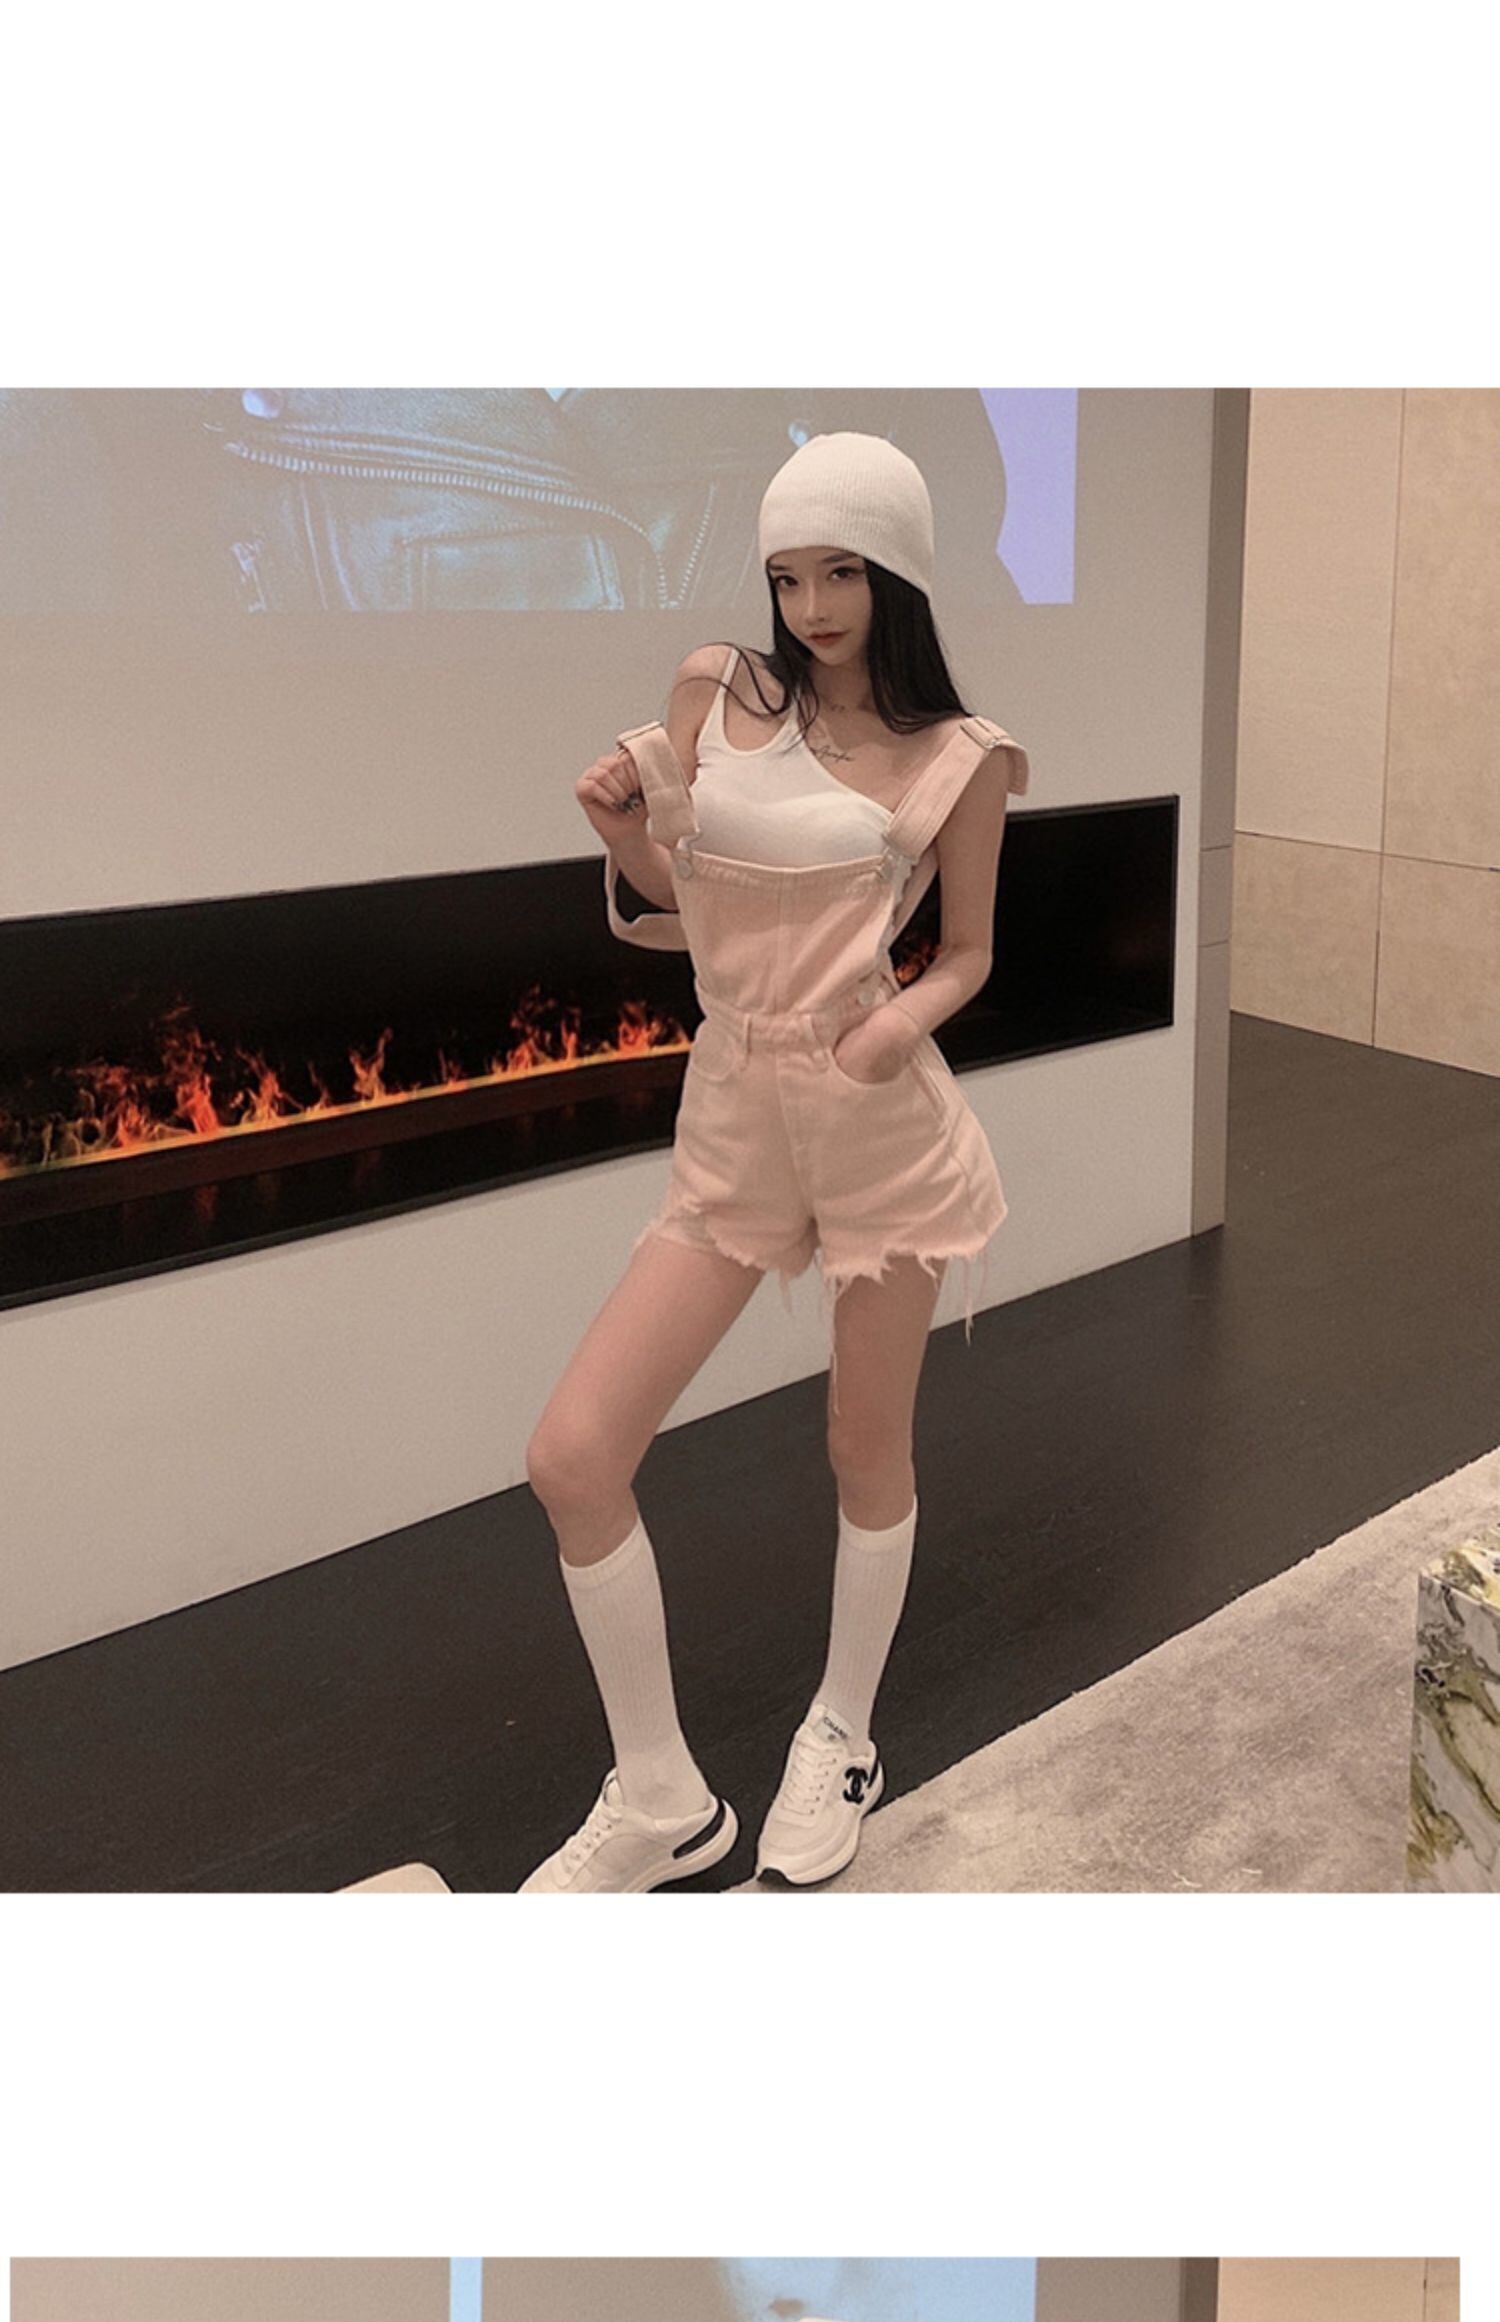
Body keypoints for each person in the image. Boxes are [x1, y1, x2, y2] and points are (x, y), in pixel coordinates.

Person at [521, 431, 1030, 1893]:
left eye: (841, 573)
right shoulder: (714, 693)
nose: (810, 607)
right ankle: (661, 1797)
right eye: (788, 575)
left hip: (880, 1129)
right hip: (736, 1116)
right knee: (573, 1456)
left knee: (864, 1448)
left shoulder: (959, 757)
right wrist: (621, 834)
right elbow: (693, 907)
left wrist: (891, 1029)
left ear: (898, 575)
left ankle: (841, 1733)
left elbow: (972, 951)